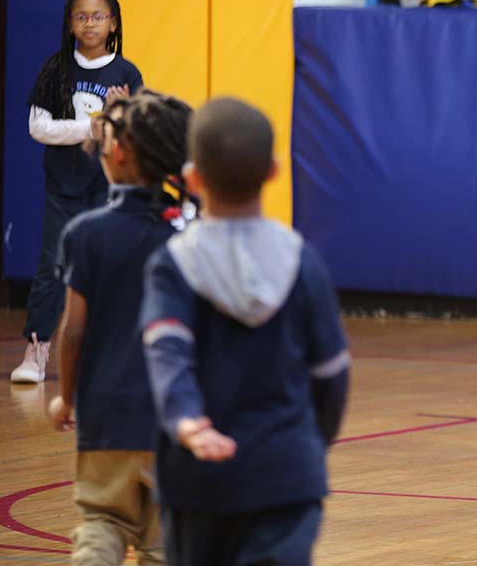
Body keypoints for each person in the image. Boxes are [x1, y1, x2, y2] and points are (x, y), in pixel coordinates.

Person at [141, 97, 350, 565]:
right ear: (274, 171)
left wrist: (187, 421)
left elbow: (166, 352)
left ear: (192, 178)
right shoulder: (303, 262)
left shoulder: (172, 264)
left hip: (197, 479)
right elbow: (332, 375)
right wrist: (308, 445)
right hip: (285, 475)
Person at [48, 90, 193, 565]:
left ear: (120, 151)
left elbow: (73, 332)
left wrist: (66, 397)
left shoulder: (85, 234)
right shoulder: (187, 238)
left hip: (105, 419)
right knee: (163, 542)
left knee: (101, 522)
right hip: (173, 420)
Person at [12, 0, 143, 384]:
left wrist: (119, 115)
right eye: (81, 17)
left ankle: (105, 355)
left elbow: (134, 134)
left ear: (113, 23)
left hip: (108, 188)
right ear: (70, 24)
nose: (89, 24)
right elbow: (39, 127)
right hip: (63, 187)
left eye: (98, 16)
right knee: (52, 267)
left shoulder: (127, 74)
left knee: (107, 269)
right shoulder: (56, 69)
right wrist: (91, 126)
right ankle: (36, 349)